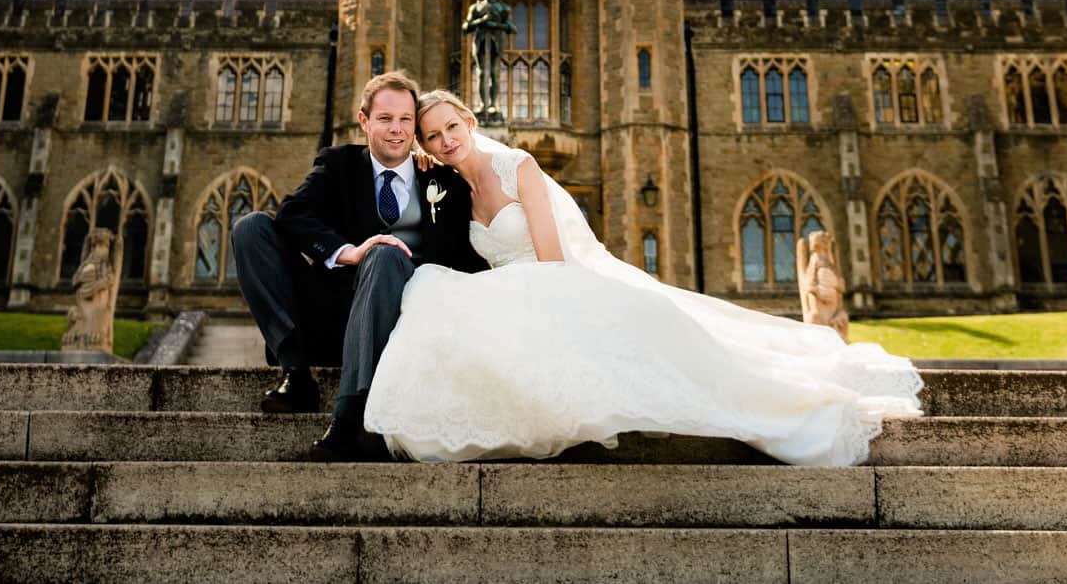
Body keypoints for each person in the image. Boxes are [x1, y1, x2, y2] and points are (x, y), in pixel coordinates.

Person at [363, 91, 922, 466]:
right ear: (424, 146)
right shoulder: (448, 191)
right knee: (434, 292)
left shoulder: (518, 167)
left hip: (551, 285)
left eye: (451, 127)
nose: (444, 140)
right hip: (510, 294)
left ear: (471, 123)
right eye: (431, 136)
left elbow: (553, 261)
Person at [230, 70, 486, 461]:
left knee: (387, 253)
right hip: (331, 312)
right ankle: (296, 374)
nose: (396, 130)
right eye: (385, 119)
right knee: (251, 229)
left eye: (405, 120)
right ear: (365, 121)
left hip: (400, 323)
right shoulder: (339, 164)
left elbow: (462, 259)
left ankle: (351, 414)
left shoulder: (443, 183)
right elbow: (292, 214)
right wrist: (348, 251)